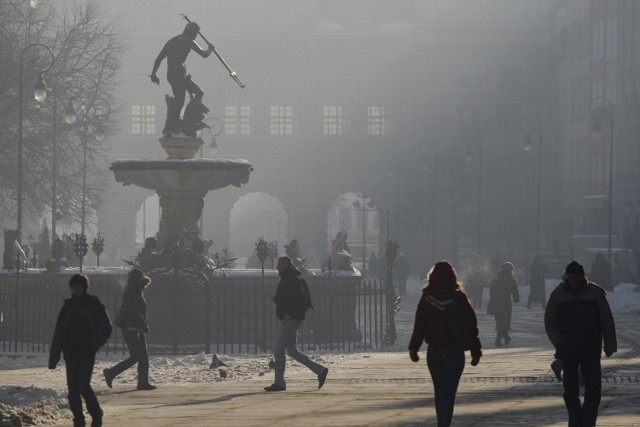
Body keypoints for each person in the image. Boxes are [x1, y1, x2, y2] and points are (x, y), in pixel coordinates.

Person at [409, 260, 482, 427]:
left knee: (439, 391)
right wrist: (475, 350)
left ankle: (442, 422)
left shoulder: (427, 297)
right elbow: (471, 325)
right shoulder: (459, 297)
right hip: (454, 352)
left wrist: (414, 347)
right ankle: (443, 424)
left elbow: (420, 324)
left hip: (434, 351)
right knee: (449, 392)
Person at [544, 260, 617, 427]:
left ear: (583, 276)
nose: (574, 280)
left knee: (593, 389)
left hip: (591, 349)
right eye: (571, 277)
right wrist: (558, 342)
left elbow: (606, 320)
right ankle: (576, 419)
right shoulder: (558, 295)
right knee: (570, 392)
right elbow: (550, 321)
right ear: (566, 277)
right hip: (567, 350)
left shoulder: (595, 293)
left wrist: (610, 344)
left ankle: (587, 421)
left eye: (577, 277)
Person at [49, 274, 112, 427]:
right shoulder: (68, 307)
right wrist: (54, 356)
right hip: (70, 352)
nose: (76, 291)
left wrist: (94, 343)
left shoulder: (94, 305)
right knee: (73, 389)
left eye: (78, 288)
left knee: (83, 385)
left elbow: (106, 328)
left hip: (86, 352)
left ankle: (96, 414)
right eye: (73, 288)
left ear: (84, 288)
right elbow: (59, 332)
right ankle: (78, 419)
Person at [265, 256, 328, 392]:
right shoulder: (291, 278)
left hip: (291, 320)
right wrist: (277, 300)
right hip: (291, 319)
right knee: (292, 351)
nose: (277, 267)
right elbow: (290, 298)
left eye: (279, 265)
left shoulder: (292, 279)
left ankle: (279, 383)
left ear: (285, 266)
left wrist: (290, 313)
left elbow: (299, 300)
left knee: (278, 349)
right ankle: (320, 370)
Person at [150, 21, 214, 136]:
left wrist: (154, 74)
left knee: (198, 93)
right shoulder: (188, 40)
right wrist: (210, 49)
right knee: (180, 101)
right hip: (178, 74)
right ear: (191, 32)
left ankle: (188, 118)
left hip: (172, 74)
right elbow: (204, 54)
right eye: (195, 33)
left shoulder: (172, 41)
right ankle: (175, 125)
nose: (195, 36)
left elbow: (158, 59)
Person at [103, 268, 156, 390]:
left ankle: (143, 382)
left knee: (143, 356)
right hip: (132, 329)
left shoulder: (135, 291)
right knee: (136, 357)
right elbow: (134, 312)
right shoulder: (132, 292)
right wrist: (143, 325)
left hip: (136, 328)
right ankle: (110, 373)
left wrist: (142, 326)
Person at [487, 262, 519, 347]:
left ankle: (506, 338)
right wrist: (516, 298)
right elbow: (515, 291)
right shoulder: (511, 280)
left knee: (500, 322)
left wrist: (491, 302)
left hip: (495, 303)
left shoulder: (495, 279)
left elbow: (491, 292)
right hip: (506, 304)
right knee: (504, 323)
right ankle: (498, 341)